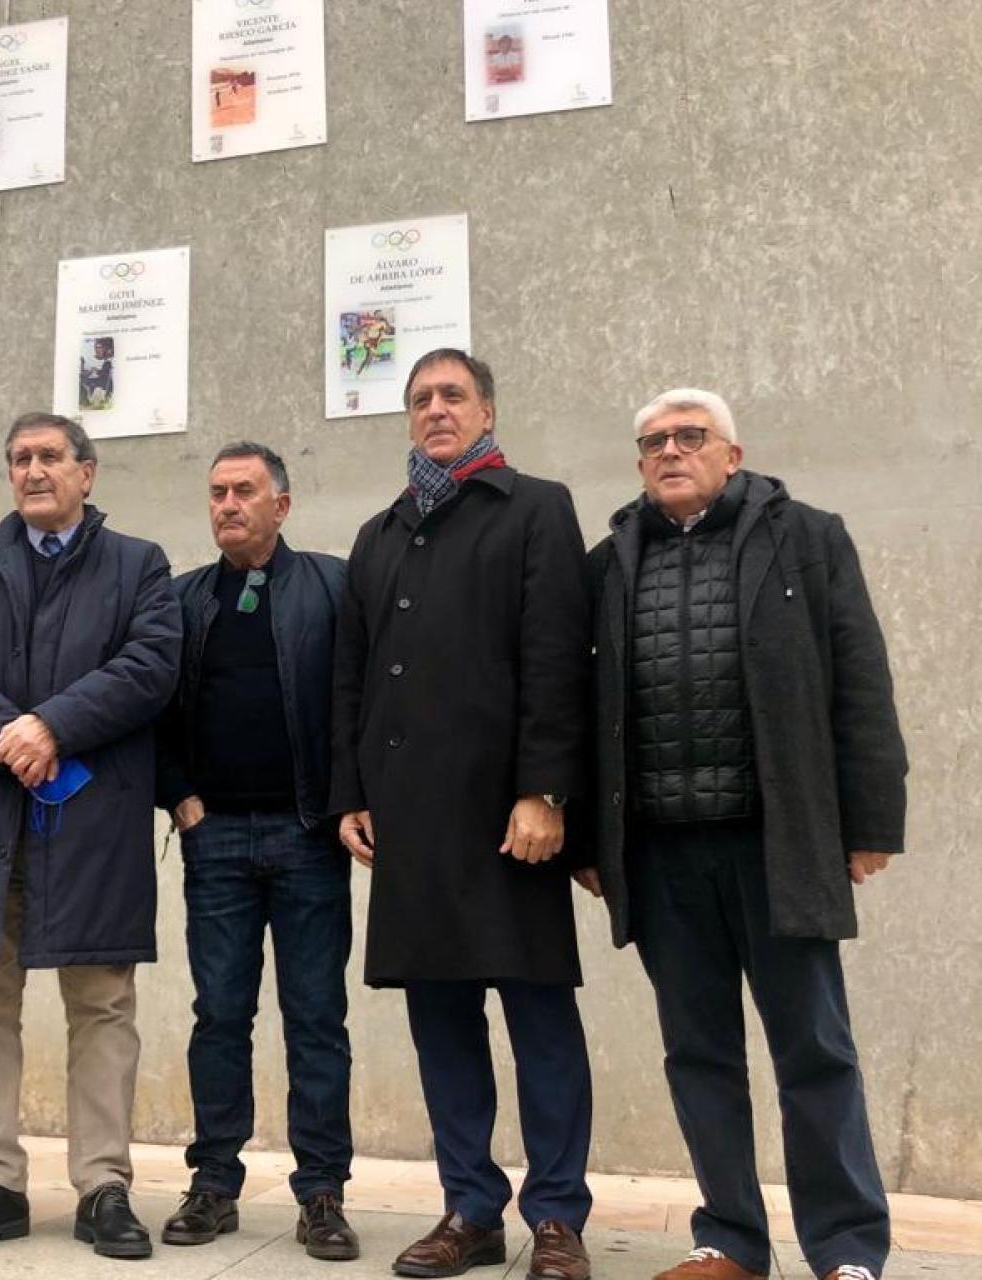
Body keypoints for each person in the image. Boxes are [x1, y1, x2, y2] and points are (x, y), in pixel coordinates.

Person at [580, 389, 907, 1280]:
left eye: (690, 437)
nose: (670, 452)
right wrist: (588, 843)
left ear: (733, 454)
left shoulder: (806, 537)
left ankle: (846, 1249)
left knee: (814, 1050)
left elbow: (861, 682)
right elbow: (584, 711)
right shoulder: (609, 561)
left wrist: (871, 821)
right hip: (661, 852)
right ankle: (728, 1238)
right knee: (699, 1054)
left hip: (777, 845)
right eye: (653, 442)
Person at [331, 350, 595, 1280]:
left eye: (452, 396)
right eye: (420, 400)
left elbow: (559, 657)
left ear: (486, 410)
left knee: (540, 1021)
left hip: (506, 819)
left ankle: (557, 1217)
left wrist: (545, 791)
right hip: (408, 823)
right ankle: (470, 1210)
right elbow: (350, 680)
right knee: (441, 1024)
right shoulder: (379, 534)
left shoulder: (535, 508)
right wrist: (349, 795)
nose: (435, 410)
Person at [0, 412, 181, 1260]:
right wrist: (10, 734)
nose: (33, 471)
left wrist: (54, 726)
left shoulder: (140, 565)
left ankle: (104, 1186)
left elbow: (149, 665)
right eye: (20, 459)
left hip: (91, 820)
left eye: (50, 457)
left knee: (102, 1005)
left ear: (87, 473)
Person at [155, 443, 358, 1262]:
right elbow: (153, 703)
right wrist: (176, 794)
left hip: (308, 834)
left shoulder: (335, 585)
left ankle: (322, 1192)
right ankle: (213, 1184)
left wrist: (350, 801)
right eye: (217, 493)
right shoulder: (181, 599)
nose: (228, 504)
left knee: (316, 1017)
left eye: (245, 491)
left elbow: (362, 695)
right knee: (220, 1015)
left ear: (283, 503)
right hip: (217, 841)